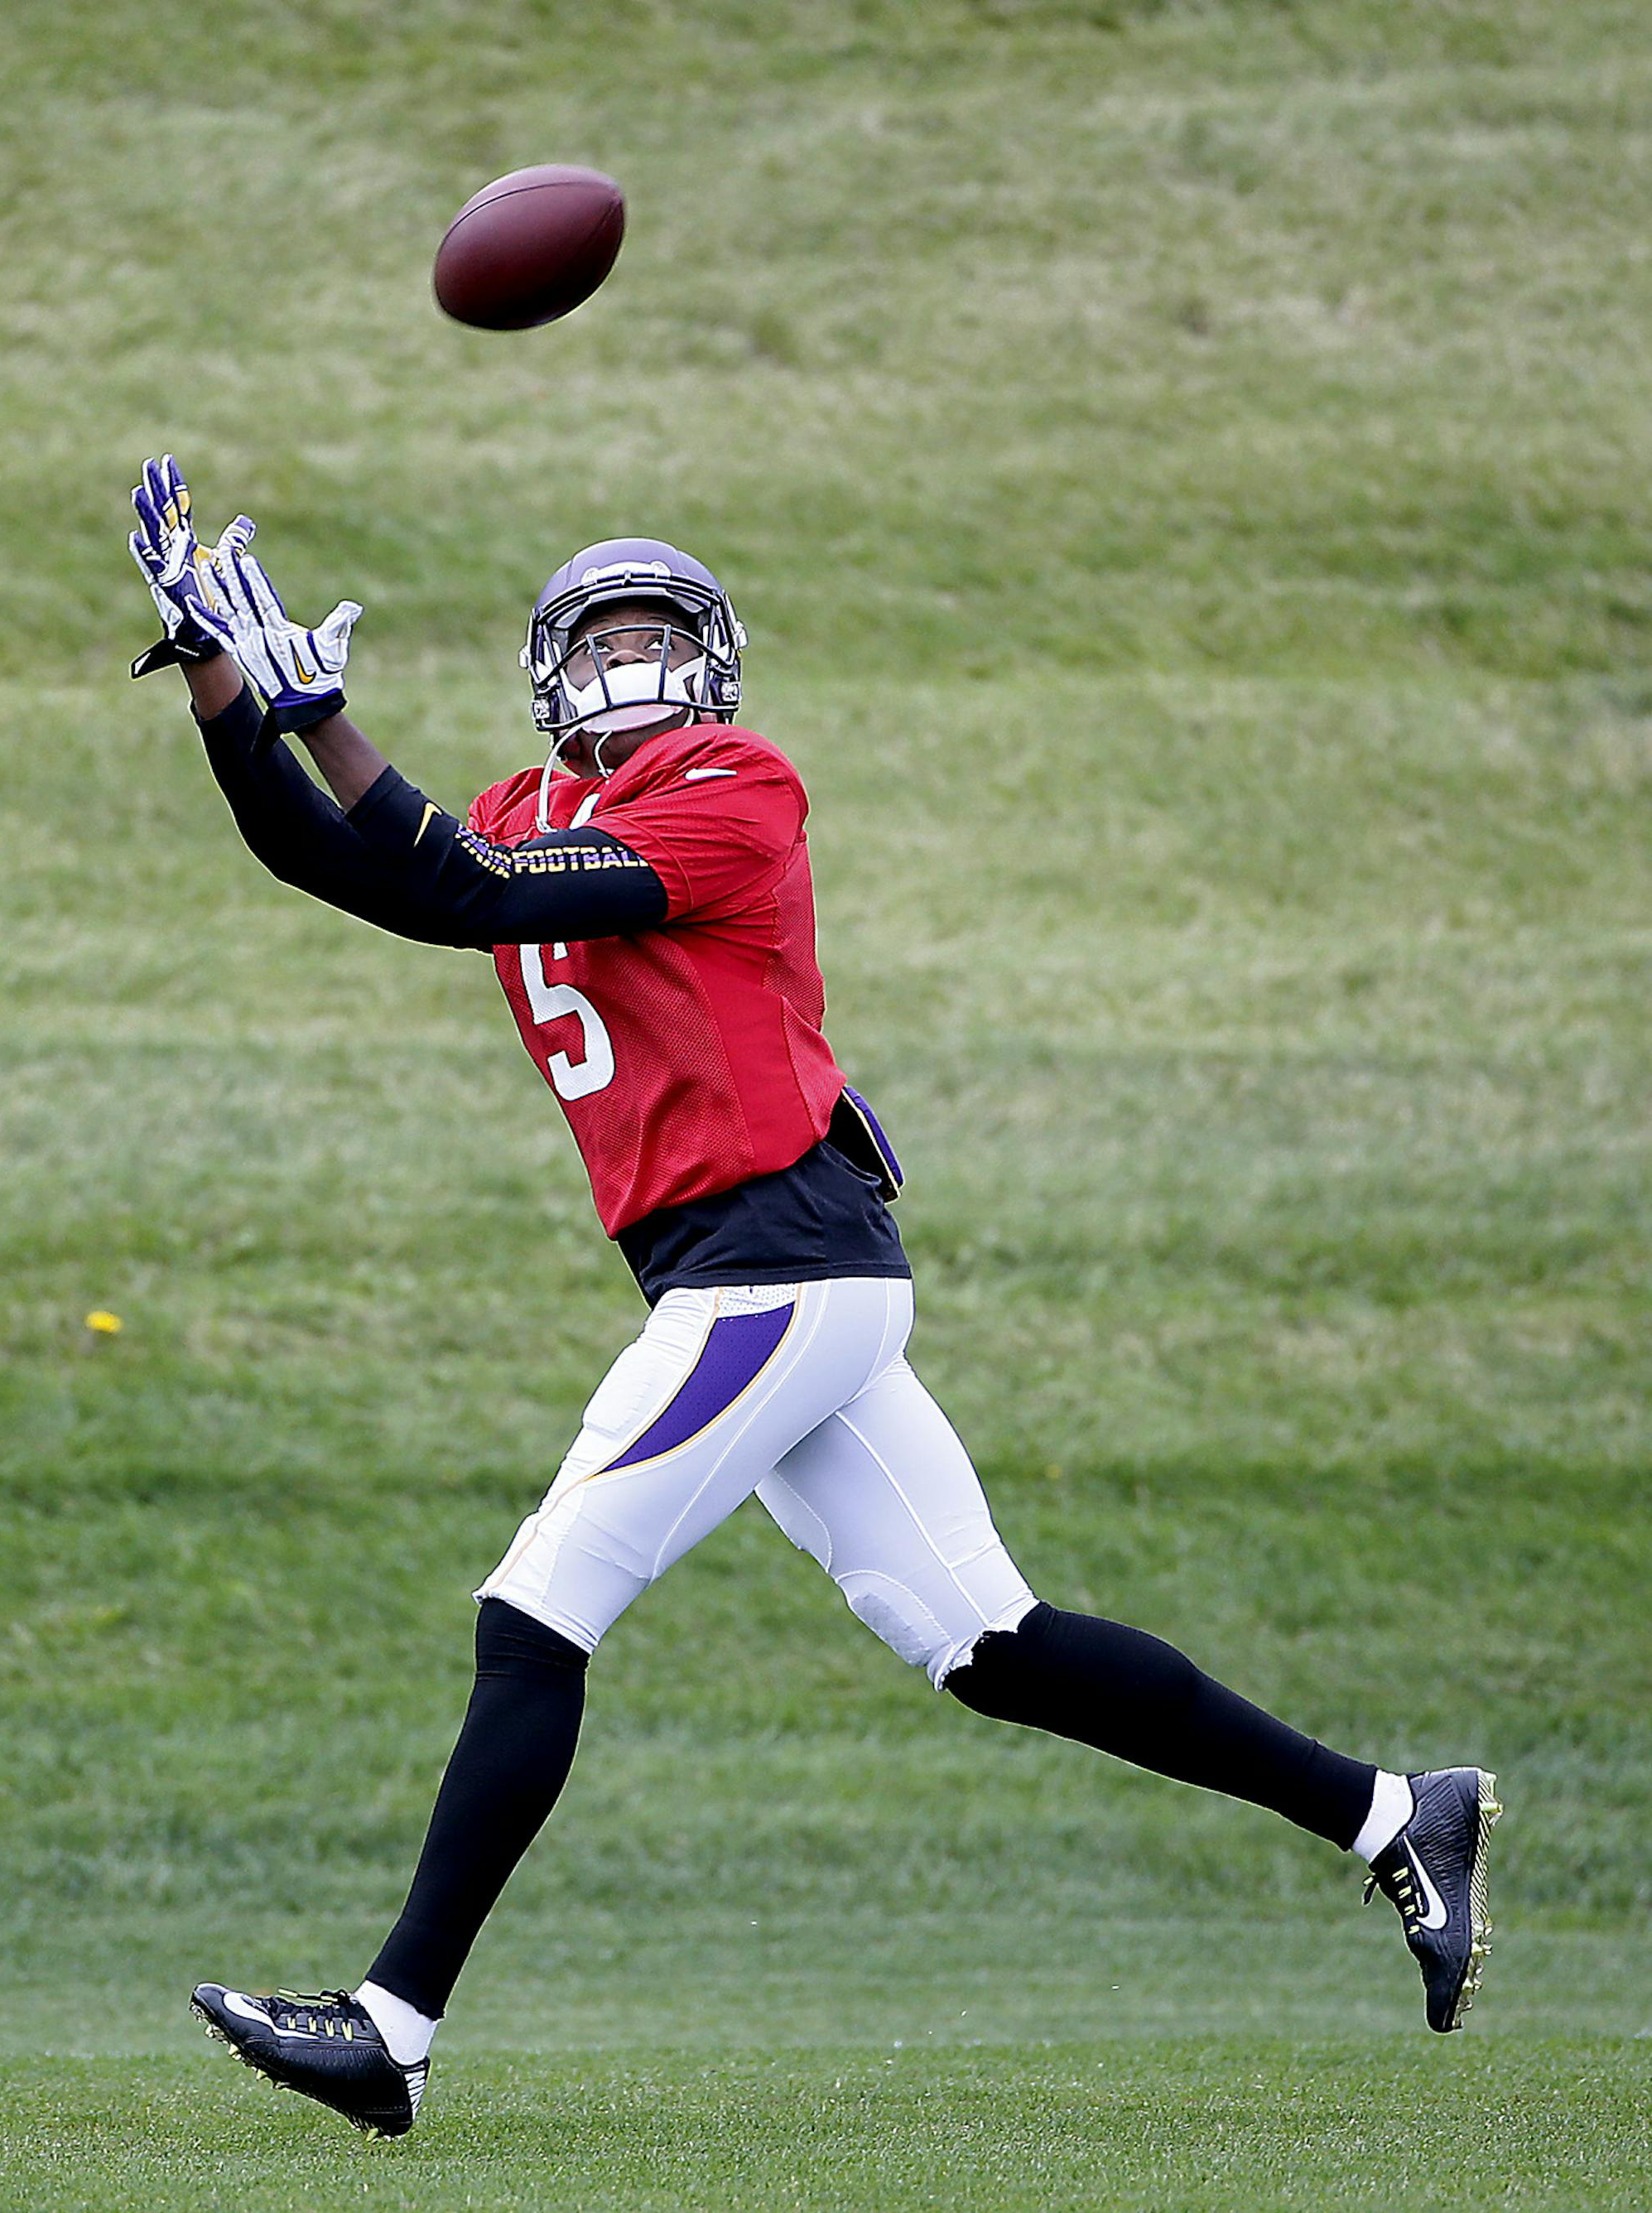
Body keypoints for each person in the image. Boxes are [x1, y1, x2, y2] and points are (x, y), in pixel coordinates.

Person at [127, 456, 1500, 2140]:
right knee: (989, 1640)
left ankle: (392, 2027)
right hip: (763, 1279)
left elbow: (464, 884)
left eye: (653, 632)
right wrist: (218, 681)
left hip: (770, 1267)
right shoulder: (521, 808)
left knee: (537, 1606)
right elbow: (357, 871)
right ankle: (1391, 1815)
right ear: (554, 679)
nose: (627, 663)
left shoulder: (737, 782)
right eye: (598, 638)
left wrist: (330, 720)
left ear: (706, 662)